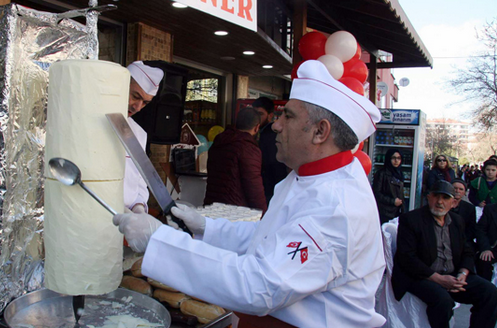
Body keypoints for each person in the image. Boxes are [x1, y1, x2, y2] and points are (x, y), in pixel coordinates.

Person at [113, 60, 386, 327]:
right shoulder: (306, 178)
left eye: (288, 116)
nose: (275, 125)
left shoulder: (335, 207)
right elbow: (267, 239)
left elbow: (259, 287)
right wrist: (206, 228)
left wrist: (159, 240)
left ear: (320, 131)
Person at [392, 180, 497, 328]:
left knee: (490, 292)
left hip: (452, 275)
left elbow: (467, 250)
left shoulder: (457, 221)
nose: (440, 202)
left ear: (453, 203)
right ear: (428, 197)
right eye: (436, 196)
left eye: (446, 198)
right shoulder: (411, 220)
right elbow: (407, 258)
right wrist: (439, 279)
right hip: (421, 276)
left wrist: (462, 274)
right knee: (443, 300)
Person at [203, 107, 267, 212]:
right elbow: (254, 189)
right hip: (234, 213)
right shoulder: (248, 148)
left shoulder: (219, 141)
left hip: (211, 207)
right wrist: (264, 215)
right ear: (257, 128)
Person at [123, 61, 164, 213]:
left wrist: (139, 207)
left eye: (145, 103)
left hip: (126, 223)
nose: (137, 107)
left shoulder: (139, 133)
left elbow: (140, 180)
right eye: (135, 96)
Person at [254, 97, 288, 204]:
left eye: (260, 114)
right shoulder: (257, 132)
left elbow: (273, 162)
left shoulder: (272, 135)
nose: (256, 118)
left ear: (270, 116)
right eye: (254, 113)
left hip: (270, 187)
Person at [372, 148, 406, 224]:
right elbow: (376, 193)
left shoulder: (399, 173)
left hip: (397, 212)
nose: (396, 161)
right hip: (385, 212)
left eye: (399, 158)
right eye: (393, 158)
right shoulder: (382, 174)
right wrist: (392, 201)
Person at [450, 178, 477, 251]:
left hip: (463, 241)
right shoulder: (442, 204)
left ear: (465, 192)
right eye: (455, 188)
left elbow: (471, 229)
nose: (457, 191)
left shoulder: (470, 208)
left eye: (461, 189)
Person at [476, 203, 497, 281]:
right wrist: (485, 248)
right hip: (493, 248)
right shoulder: (490, 209)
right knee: (484, 260)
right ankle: (486, 290)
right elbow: (480, 230)